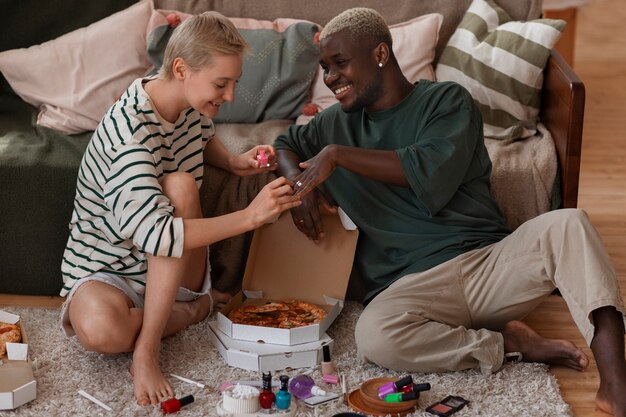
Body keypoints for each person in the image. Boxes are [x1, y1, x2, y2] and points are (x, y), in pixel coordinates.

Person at [274, 7, 626, 416]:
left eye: (339, 64)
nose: (330, 78)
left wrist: (336, 157)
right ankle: (505, 343)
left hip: (487, 267)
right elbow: (287, 142)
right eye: (325, 68)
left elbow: (427, 171)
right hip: (411, 288)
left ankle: (616, 385)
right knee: (374, 336)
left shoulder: (446, 100)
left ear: (381, 55)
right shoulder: (333, 123)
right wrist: (301, 193)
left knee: (571, 224)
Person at [59, 12, 301, 406]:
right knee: (102, 333)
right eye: (221, 84)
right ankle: (188, 315)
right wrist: (251, 215)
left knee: (180, 183)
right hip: (109, 270)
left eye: (233, 84)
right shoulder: (130, 137)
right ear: (181, 69)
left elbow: (203, 141)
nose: (230, 97)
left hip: (175, 271)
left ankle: (147, 345)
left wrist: (237, 162)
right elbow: (157, 235)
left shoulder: (188, 105)